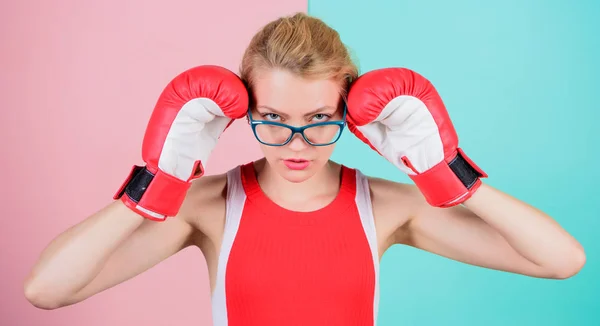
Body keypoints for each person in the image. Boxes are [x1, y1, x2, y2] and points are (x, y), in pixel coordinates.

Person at [24, 12, 585, 326]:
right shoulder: (209, 205)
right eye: (273, 117)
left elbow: (563, 261)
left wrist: (445, 171)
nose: (297, 143)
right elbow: (47, 291)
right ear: (242, 109)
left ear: (349, 109)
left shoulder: (385, 206)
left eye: (319, 118)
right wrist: (157, 181)